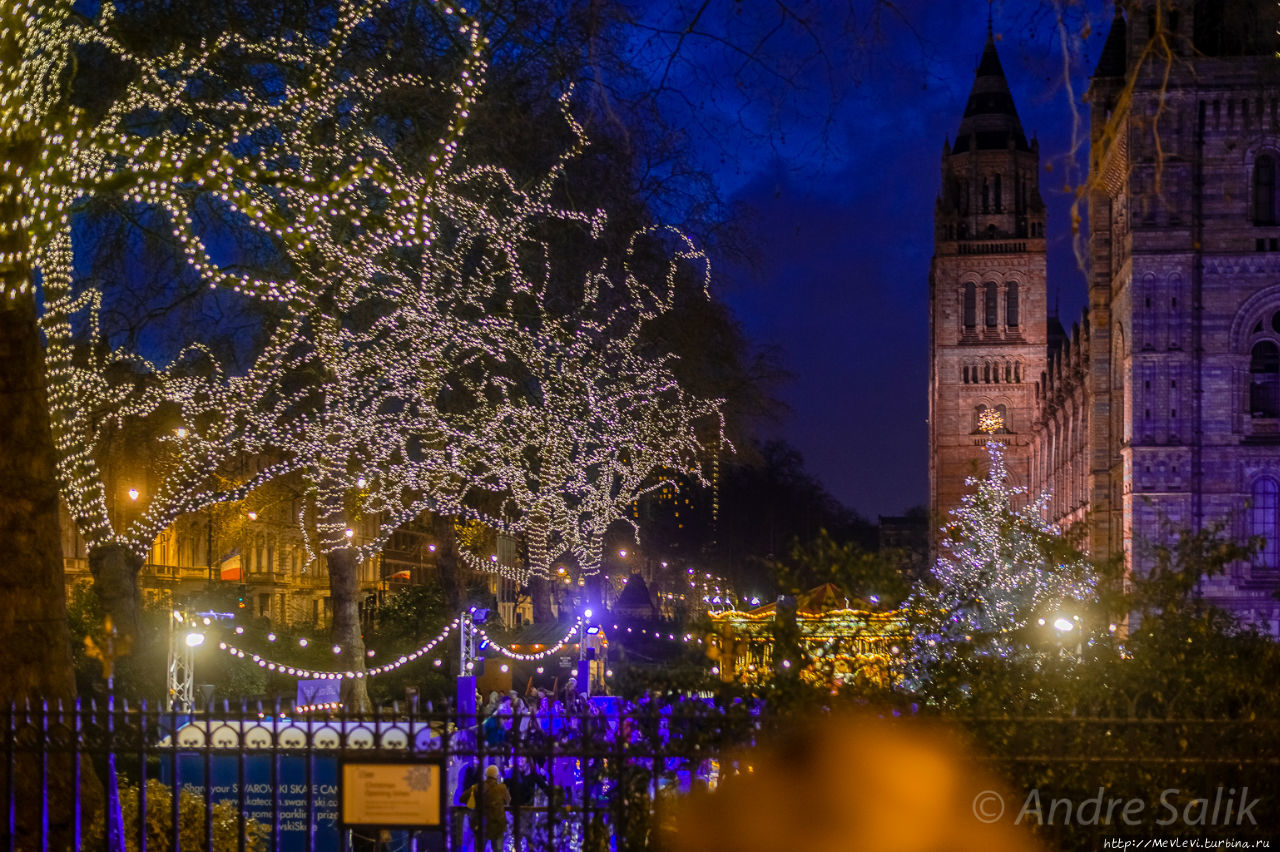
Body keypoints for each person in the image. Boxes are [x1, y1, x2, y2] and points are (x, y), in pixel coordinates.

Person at [466, 764, 511, 852]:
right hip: (497, 825)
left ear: (485, 776)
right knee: (497, 849)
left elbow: (463, 798)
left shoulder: (477, 787)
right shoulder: (502, 788)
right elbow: (508, 801)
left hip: (481, 824)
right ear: (497, 776)